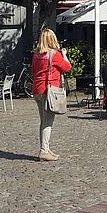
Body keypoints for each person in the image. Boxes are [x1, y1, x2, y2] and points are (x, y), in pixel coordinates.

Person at [30, 28, 71, 161]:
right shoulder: (54, 54)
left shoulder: (36, 55)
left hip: (37, 89)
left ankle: (46, 148)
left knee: (43, 120)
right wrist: (64, 55)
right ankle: (44, 150)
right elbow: (67, 67)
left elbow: (33, 71)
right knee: (47, 122)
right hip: (49, 90)